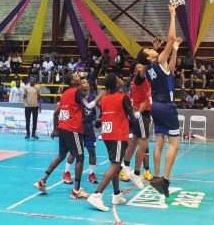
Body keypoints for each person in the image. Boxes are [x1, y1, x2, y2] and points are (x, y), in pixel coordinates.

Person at [135, 4, 183, 198]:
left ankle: (155, 176)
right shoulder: (156, 62)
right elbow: (170, 38)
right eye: (149, 49)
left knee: (160, 142)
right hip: (166, 107)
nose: (152, 48)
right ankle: (165, 179)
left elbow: (170, 67)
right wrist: (172, 14)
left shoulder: (150, 68)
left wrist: (175, 50)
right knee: (174, 144)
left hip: (157, 107)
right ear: (149, 56)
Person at [33, 73, 90, 199]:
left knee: (61, 155)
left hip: (63, 128)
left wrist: (55, 129)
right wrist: (99, 97)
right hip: (73, 128)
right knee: (80, 157)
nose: (78, 76)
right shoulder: (76, 92)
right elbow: (88, 106)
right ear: (72, 81)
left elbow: (56, 113)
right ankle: (76, 191)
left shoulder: (65, 94)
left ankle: (42, 180)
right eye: (75, 76)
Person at [87, 73, 137, 211]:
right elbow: (132, 118)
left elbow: (104, 116)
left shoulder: (103, 100)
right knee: (116, 165)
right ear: (116, 84)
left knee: (114, 164)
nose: (120, 79)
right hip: (118, 135)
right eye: (118, 79)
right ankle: (97, 194)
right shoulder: (123, 98)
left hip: (107, 135)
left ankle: (116, 194)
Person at [62, 79, 105, 185]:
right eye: (83, 82)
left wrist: (100, 118)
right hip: (78, 126)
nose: (86, 84)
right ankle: (66, 172)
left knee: (92, 151)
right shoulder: (78, 95)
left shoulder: (92, 96)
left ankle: (91, 174)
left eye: (87, 82)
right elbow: (88, 106)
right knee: (74, 152)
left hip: (89, 127)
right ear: (79, 86)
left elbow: (103, 108)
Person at [120, 62, 154, 187]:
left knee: (134, 142)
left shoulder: (141, 80)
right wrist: (149, 57)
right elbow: (147, 66)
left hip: (141, 113)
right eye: (139, 67)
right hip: (141, 114)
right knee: (144, 144)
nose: (142, 68)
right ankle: (137, 172)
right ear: (135, 72)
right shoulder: (138, 79)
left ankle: (124, 167)